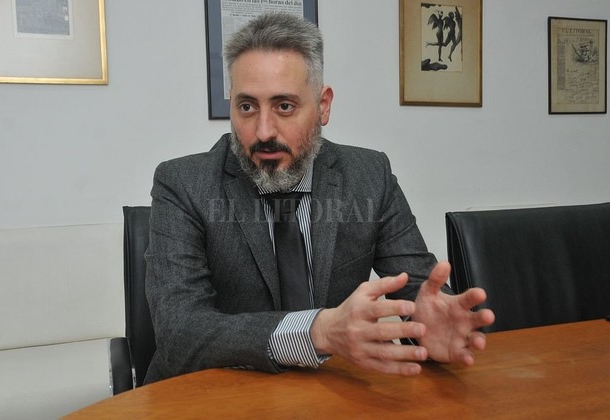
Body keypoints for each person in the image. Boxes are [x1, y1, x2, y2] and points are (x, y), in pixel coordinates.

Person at [143, 12, 494, 384]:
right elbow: (179, 332)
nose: (263, 132)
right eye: (247, 107)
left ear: (323, 105)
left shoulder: (369, 176)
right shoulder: (183, 184)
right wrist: (317, 332)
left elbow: (417, 289)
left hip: (333, 389)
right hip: (215, 392)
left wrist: (427, 322)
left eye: (284, 106)